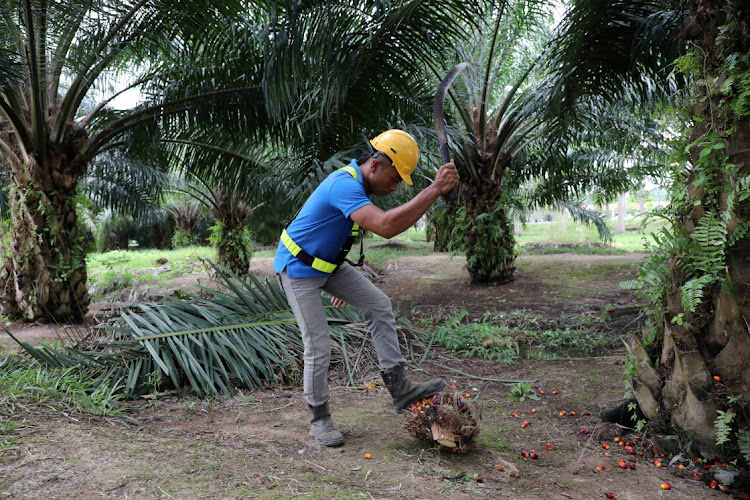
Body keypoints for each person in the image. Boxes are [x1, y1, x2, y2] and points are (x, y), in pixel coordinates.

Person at [273, 129, 459, 447]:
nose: (396, 185)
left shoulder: (359, 186)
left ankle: (400, 389)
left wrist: (339, 279)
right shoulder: (343, 185)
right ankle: (320, 419)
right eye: (396, 177)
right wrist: (435, 189)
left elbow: (337, 231)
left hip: (329, 265)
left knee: (377, 304)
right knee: (318, 345)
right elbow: (385, 226)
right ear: (375, 165)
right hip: (299, 269)